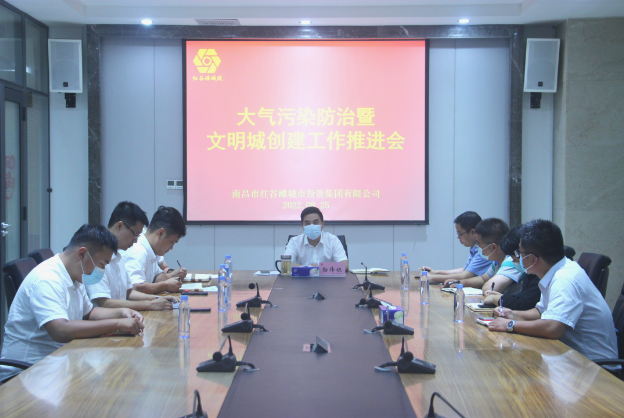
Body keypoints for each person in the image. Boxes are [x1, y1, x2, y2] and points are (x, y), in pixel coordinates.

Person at [1, 224, 145, 370]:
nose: (101, 271)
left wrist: (122, 312)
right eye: (101, 264)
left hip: (58, 359)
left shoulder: (75, 275)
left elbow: (89, 313)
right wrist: (117, 324)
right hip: (27, 369)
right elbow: (60, 330)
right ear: (82, 254)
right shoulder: (47, 279)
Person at [488, 219, 618, 362]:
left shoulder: (564, 280)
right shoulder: (556, 270)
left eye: (519, 253)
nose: (517, 258)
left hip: (594, 366)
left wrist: (510, 325)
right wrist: (512, 314)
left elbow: (553, 328)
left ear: (532, 259)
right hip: (571, 357)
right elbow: (541, 312)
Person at [85, 201, 179, 310]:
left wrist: (157, 299)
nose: (135, 241)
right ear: (119, 226)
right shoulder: (96, 255)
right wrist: (150, 304)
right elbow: (104, 303)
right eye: (135, 234)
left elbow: (129, 293)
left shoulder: (118, 255)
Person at [443, 218, 522, 295]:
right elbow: (483, 279)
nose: (478, 248)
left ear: (493, 247)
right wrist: (459, 283)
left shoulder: (511, 262)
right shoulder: (496, 262)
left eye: (479, 244)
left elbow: (489, 289)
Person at [124, 206, 187, 295]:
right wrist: (165, 285)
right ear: (160, 233)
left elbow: (157, 276)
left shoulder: (151, 248)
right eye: (172, 242)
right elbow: (134, 287)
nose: (171, 248)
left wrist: (169, 279)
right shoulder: (138, 251)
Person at [482, 226, 541, 310]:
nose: (513, 261)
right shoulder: (530, 273)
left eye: (515, 257)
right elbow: (522, 298)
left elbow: (525, 303)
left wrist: (497, 299)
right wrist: (501, 296)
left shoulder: (538, 274)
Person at [424, 211, 491, 284]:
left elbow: (465, 276)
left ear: (473, 232)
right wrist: (435, 272)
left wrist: (432, 277)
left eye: (460, 234)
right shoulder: (474, 248)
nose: (458, 237)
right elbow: (464, 270)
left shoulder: (483, 251)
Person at [284, 206, 348, 270]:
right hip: (303, 276)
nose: (311, 226)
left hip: (327, 276)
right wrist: (308, 268)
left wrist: (319, 268)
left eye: (315, 223)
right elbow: (285, 264)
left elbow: (345, 265)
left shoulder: (332, 240)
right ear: (302, 226)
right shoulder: (294, 241)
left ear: (322, 225)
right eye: (307, 223)